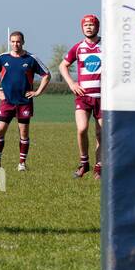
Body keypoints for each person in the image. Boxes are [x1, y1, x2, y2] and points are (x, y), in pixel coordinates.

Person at [0, 31, 50, 173]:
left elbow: (46, 74)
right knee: (0, 130)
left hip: (24, 101)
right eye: (13, 41)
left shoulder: (31, 59)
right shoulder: (3, 58)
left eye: (18, 41)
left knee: (23, 132)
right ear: (10, 42)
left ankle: (22, 164)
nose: (15, 44)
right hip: (7, 101)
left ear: (23, 42)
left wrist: (38, 92)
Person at [59, 14, 103, 179]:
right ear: (82, 28)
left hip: (103, 97)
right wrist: (71, 83)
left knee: (101, 133)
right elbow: (63, 65)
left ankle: (99, 167)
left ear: (97, 27)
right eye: (86, 25)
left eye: (91, 25)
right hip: (83, 96)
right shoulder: (78, 47)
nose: (89, 27)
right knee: (82, 129)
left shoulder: (107, 46)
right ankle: (84, 162)